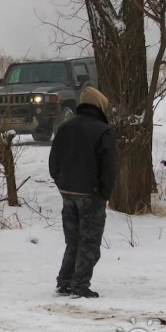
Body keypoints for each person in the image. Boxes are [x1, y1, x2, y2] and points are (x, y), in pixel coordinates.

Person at [49, 86, 117, 298]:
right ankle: (80, 286)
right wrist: (104, 193)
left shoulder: (64, 128)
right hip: (91, 194)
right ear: (99, 106)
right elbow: (109, 167)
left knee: (73, 241)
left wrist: (62, 184)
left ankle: (65, 282)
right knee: (89, 242)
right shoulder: (102, 131)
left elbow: (54, 162)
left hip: (68, 193)